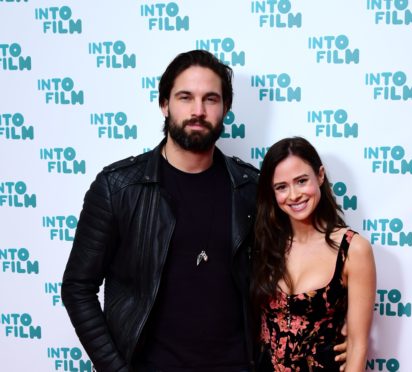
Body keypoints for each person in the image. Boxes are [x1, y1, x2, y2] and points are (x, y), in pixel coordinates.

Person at [62, 50, 347, 372]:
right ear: (164, 104)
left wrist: (341, 321)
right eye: (186, 97)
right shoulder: (118, 189)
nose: (198, 111)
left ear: (225, 108)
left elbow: (308, 252)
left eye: (210, 99)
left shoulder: (252, 189)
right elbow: (77, 288)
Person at [252, 137, 376, 371]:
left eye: (301, 181)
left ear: (320, 176)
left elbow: (358, 346)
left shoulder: (353, 250)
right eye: (281, 187)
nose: (294, 195)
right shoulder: (265, 244)